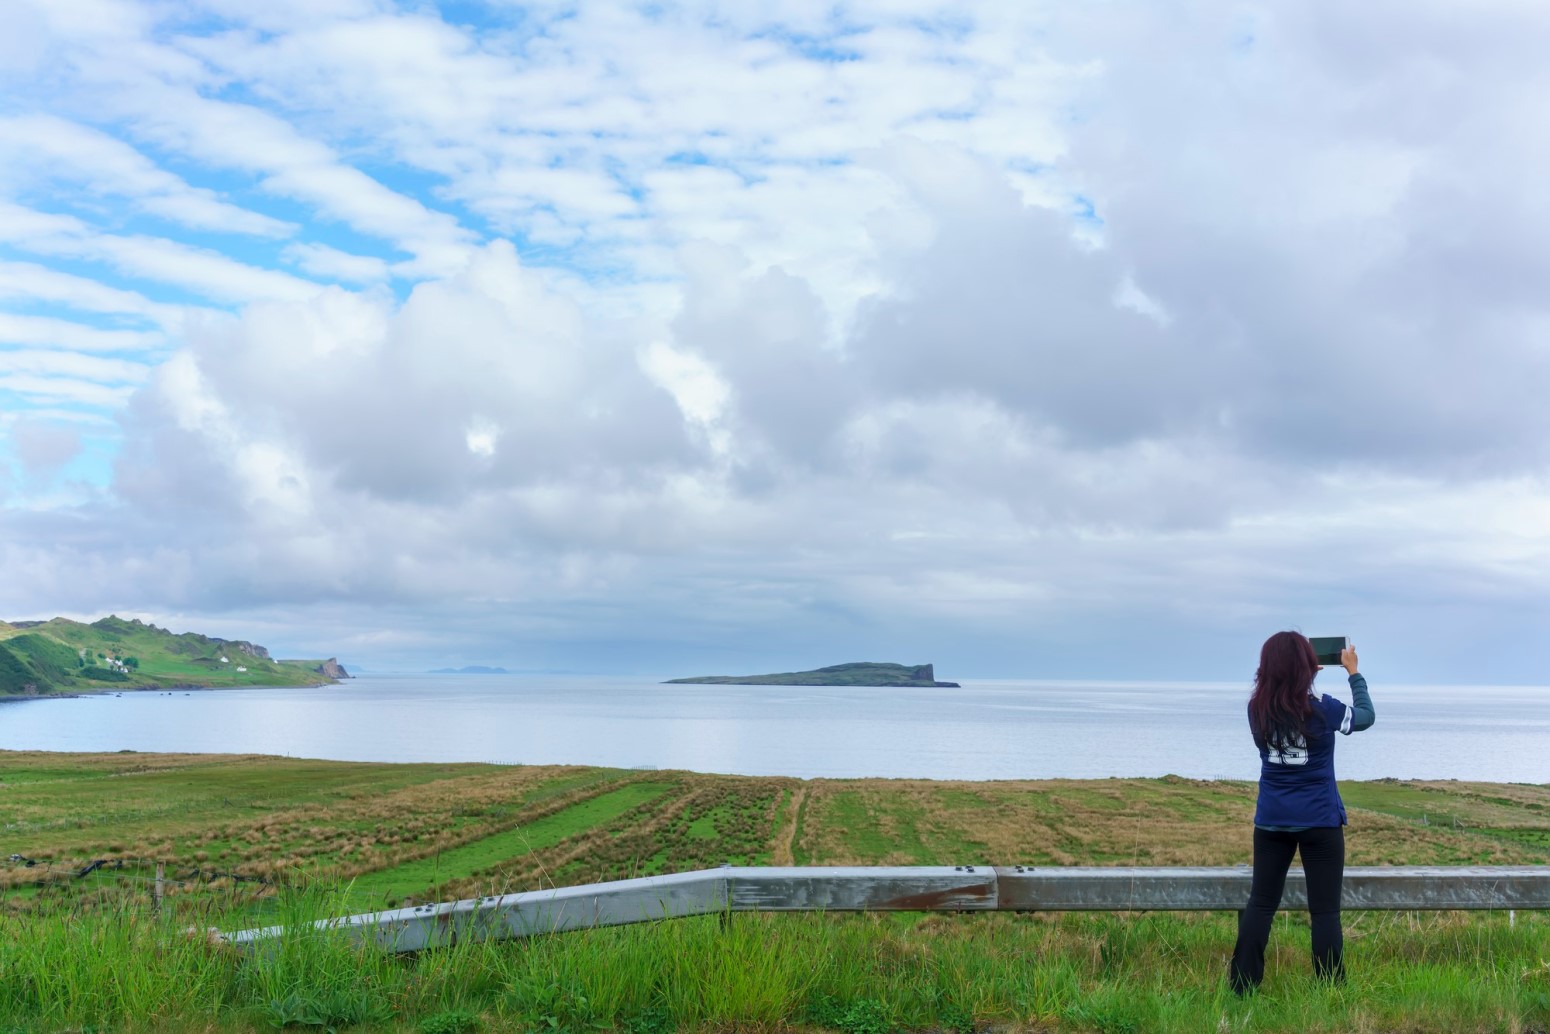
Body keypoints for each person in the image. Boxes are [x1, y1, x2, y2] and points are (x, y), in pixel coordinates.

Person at [1229, 631, 1375, 994]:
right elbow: (1366, 717)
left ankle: (1242, 988)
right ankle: (1329, 990)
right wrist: (1353, 673)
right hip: (1320, 821)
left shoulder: (1255, 708)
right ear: (1308, 666)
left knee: (1260, 904)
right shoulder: (1324, 708)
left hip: (1271, 820)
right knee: (1325, 912)